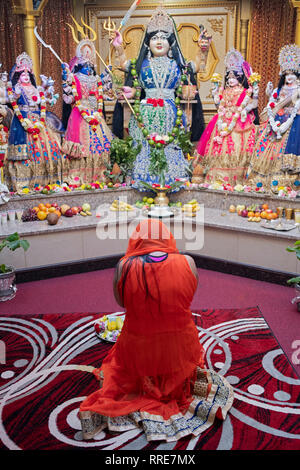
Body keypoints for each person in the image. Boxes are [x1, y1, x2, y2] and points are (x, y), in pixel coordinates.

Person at [79, 219, 233, 442]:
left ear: (136, 240)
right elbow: (187, 298)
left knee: (122, 360)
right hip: (180, 348)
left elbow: (121, 303)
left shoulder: (124, 266)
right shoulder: (188, 262)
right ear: (167, 237)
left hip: (140, 349)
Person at [112, 6, 211, 190]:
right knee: (145, 146)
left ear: (170, 43)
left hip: (170, 112)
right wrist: (118, 46)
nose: (159, 42)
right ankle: (143, 180)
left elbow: (198, 65)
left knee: (169, 145)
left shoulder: (178, 65)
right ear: (148, 43)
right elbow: (123, 64)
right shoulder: (140, 65)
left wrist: (203, 49)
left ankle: (170, 180)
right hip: (146, 112)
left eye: (163, 38)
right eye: (155, 38)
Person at [193, 48, 259, 186]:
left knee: (237, 149)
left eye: (234, 77)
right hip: (222, 121)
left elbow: (254, 103)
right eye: (228, 77)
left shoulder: (246, 91)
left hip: (239, 123)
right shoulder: (224, 90)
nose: (230, 80)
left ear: (240, 77)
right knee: (217, 149)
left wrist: (245, 108)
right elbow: (219, 108)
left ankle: (237, 180)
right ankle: (216, 179)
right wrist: (215, 95)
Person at [2, 52, 64, 193]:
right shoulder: (17, 88)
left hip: (39, 120)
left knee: (51, 146)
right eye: (22, 74)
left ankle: (47, 180)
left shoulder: (36, 89)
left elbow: (41, 101)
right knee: (26, 151)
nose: (25, 76)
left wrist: (45, 95)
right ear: (18, 76)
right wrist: (13, 90)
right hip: (23, 120)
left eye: (27, 74)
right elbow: (13, 98)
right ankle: (24, 183)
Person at [246, 44, 300, 191]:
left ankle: (286, 185)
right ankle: (262, 182)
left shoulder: (298, 89)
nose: (289, 77)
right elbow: (272, 105)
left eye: (293, 73)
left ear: (297, 74)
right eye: (287, 73)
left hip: (293, 123)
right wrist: (270, 94)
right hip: (275, 122)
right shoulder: (279, 89)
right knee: (267, 147)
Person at [61, 39, 113, 185]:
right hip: (80, 115)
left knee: (100, 146)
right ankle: (78, 177)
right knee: (82, 147)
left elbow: (102, 95)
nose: (88, 68)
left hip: (96, 115)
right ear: (78, 65)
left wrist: (106, 75)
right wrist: (66, 77)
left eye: (90, 65)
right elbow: (69, 98)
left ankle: (99, 176)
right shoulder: (75, 78)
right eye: (85, 65)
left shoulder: (96, 79)